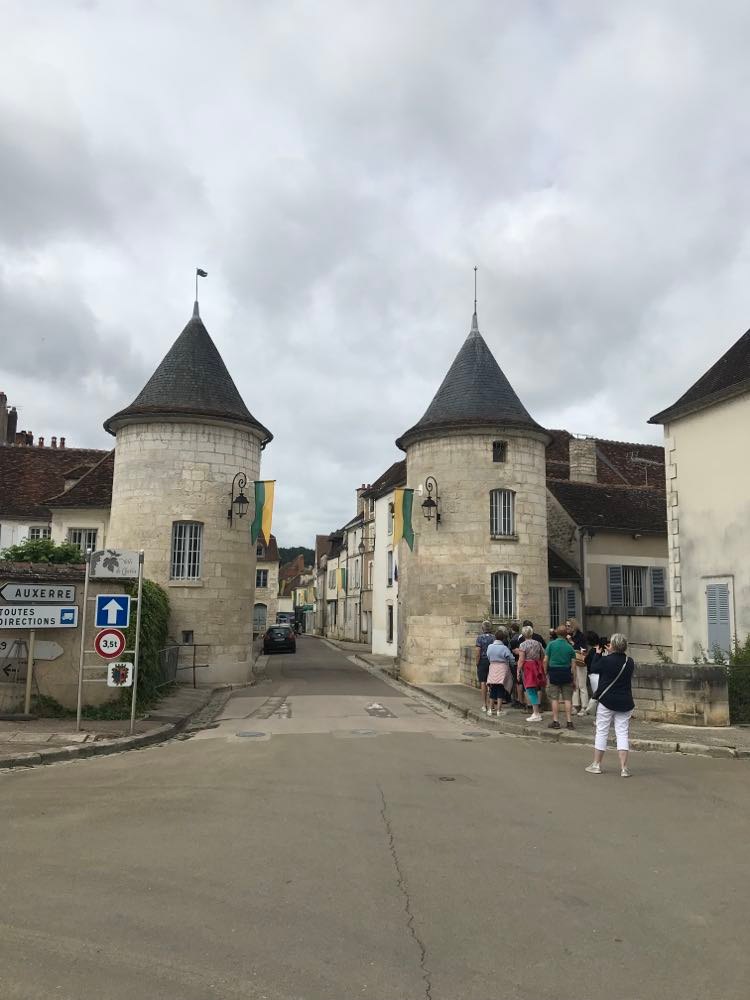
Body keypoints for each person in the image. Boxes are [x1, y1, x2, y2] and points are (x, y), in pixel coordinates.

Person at [585, 633, 635, 777]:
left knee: (602, 731)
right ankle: (624, 768)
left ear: (612, 645)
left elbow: (594, 667)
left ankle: (596, 764)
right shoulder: (629, 661)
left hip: (607, 700)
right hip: (625, 701)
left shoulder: (606, 660)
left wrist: (598, 653)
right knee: (622, 732)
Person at [543, 624, 576, 729]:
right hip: (566, 672)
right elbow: (573, 666)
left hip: (554, 672)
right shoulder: (570, 647)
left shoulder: (551, 645)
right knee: (568, 699)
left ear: (556, 633)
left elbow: (545, 660)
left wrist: (545, 672)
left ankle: (556, 721)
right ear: (566, 634)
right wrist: (574, 679)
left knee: (555, 698)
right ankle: (569, 722)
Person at [516, 625, 545, 722]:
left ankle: (536, 713)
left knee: (530, 689)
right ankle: (536, 711)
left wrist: (518, 670)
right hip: (537, 665)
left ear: (523, 634)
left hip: (528, 667)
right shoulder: (538, 643)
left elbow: (521, 659)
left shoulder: (523, 645)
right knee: (536, 689)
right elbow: (543, 655)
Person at [487, 628, 515, 716]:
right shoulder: (504, 648)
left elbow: (488, 656)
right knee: (500, 689)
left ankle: (490, 709)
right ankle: (499, 710)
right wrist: (511, 663)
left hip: (493, 667)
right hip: (502, 668)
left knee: (493, 688)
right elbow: (511, 658)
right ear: (503, 638)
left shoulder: (490, 647)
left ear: (495, 637)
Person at [566, 618, 589, 716]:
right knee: (574, 684)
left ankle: (584, 707)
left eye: (569, 626)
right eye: (566, 626)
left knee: (582, 685)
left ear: (574, 626)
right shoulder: (568, 636)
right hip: (572, 663)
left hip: (580, 662)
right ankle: (575, 706)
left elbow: (583, 650)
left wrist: (571, 642)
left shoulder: (581, 636)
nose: (567, 628)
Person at [475, 621, 494, 713]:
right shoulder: (494, 637)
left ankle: (484, 704)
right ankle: (492, 705)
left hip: (482, 661)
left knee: (483, 682)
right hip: (492, 661)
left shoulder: (480, 638)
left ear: (482, 628)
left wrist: (477, 662)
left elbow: (478, 652)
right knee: (492, 682)